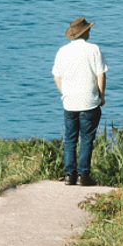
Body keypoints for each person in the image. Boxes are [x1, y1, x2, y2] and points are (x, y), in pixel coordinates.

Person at [52, 16, 107, 186]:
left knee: (70, 139)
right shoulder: (93, 49)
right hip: (89, 100)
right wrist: (101, 96)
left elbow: (56, 77)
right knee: (87, 138)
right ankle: (83, 175)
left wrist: (65, 92)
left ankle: (69, 175)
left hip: (70, 102)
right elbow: (101, 75)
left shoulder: (62, 51)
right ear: (86, 32)